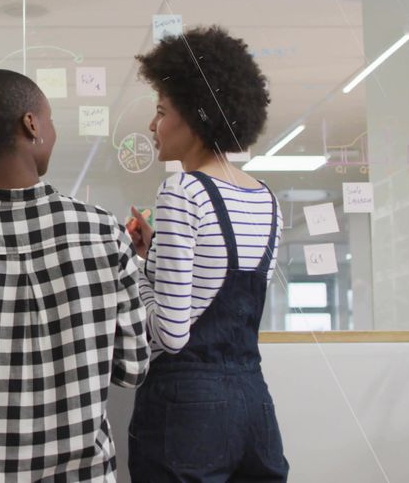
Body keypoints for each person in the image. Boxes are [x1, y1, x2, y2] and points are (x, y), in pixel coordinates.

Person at [0, 69, 150, 482]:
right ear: (31, 123)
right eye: (49, 119)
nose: (52, 130)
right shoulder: (104, 232)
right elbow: (132, 367)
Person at [124, 26, 288, 481]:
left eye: (160, 112)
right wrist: (153, 255)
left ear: (196, 117)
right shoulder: (265, 197)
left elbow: (173, 334)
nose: (151, 126)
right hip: (253, 405)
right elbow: (216, 284)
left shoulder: (182, 189)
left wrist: (130, 270)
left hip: (188, 411)